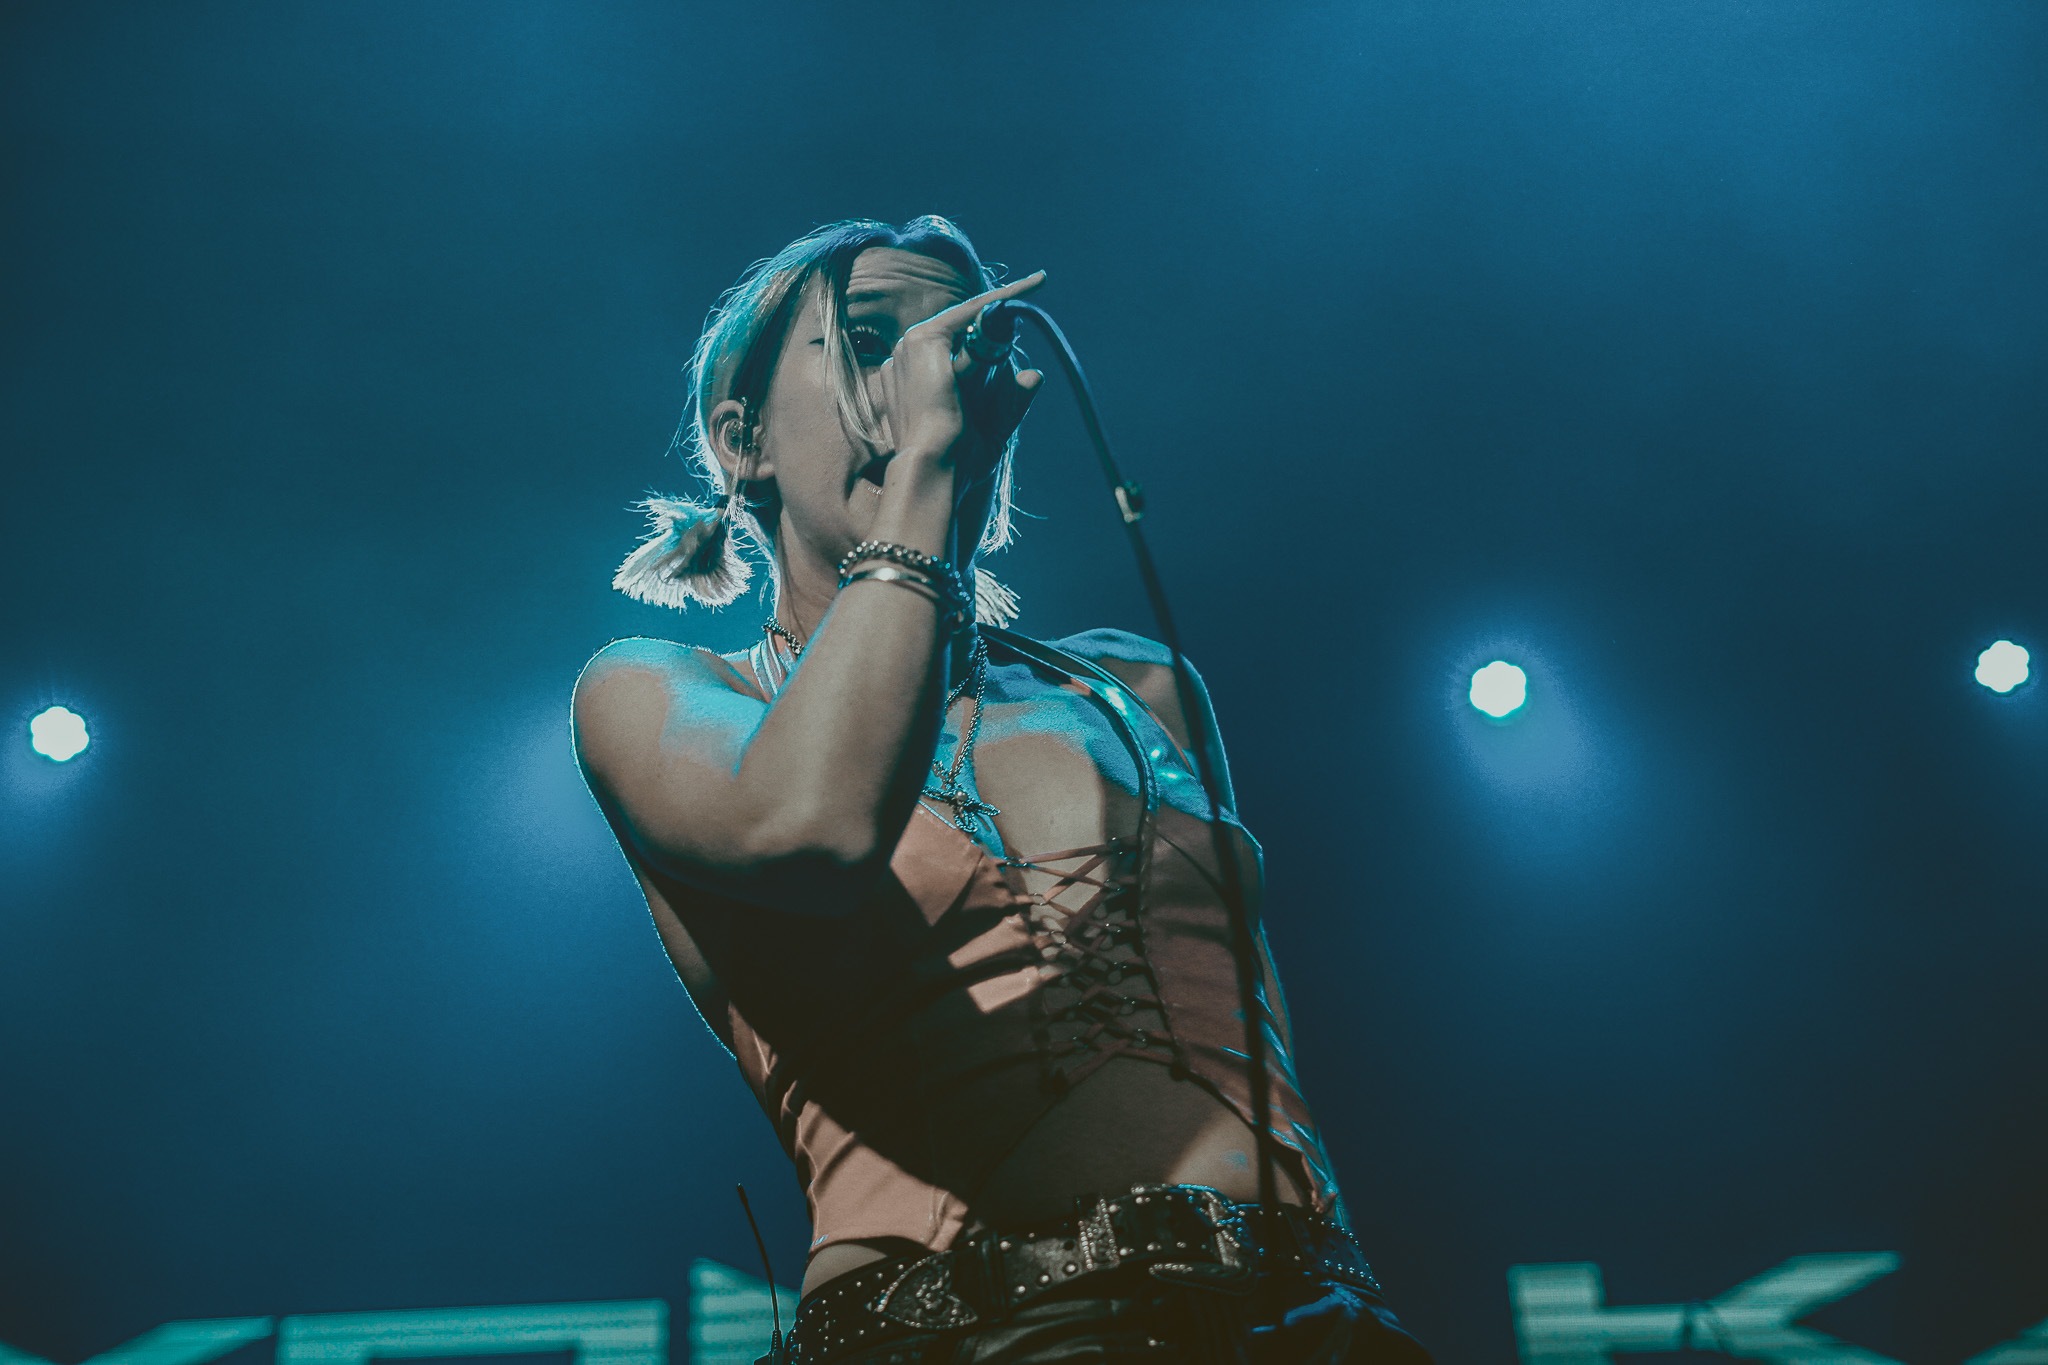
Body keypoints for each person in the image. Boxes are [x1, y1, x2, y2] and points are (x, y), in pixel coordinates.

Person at [572, 216, 1431, 1365]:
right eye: (868, 342)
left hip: (1306, 1315)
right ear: (743, 442)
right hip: (962, 1330)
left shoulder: (1136, 689)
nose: (929, 377)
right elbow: (809, 825)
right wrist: (923, 469)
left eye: (957, 344)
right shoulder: (658, 691)